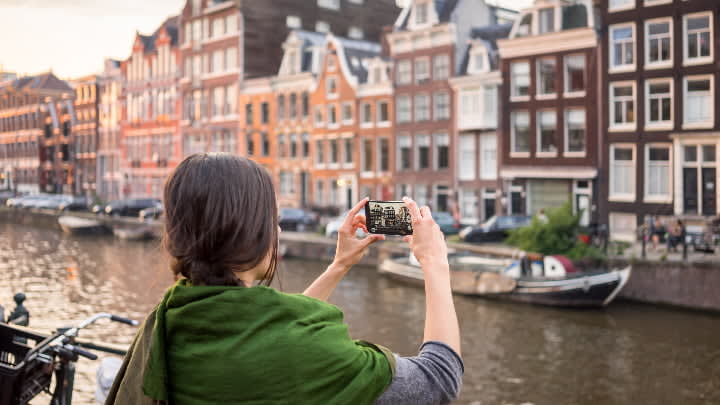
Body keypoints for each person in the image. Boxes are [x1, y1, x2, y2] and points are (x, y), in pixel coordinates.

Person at [106, 153, 463, 405]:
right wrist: (434, 261)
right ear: (250, 232)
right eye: (271, 219)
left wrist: (337, 266)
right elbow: (438, 379)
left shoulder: (171, 321)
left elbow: (274, 333)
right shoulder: (306, 354)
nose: (277, 229)